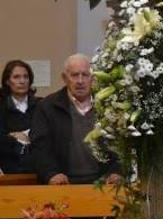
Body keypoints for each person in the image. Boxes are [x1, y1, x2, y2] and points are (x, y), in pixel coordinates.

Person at [30, 54, 122, 185]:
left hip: (103, 184)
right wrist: (51, 174)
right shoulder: (47, 106)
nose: (80, 81)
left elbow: (120, 145)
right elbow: (40, 147)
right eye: (74, 75)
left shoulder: (108, 105)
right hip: (62, 184)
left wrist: (117, 171)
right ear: (65, 78)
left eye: (85, 75)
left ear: (93, 78)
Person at [0, 60, 40, 174]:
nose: (22, 81)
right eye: (16, 77)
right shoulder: (2, 106)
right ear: (7, 81)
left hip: (37, 168)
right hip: (8, 169)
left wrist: (21, 136)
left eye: (26, 77)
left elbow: (45, 136)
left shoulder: (41, 105)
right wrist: (12, 138)